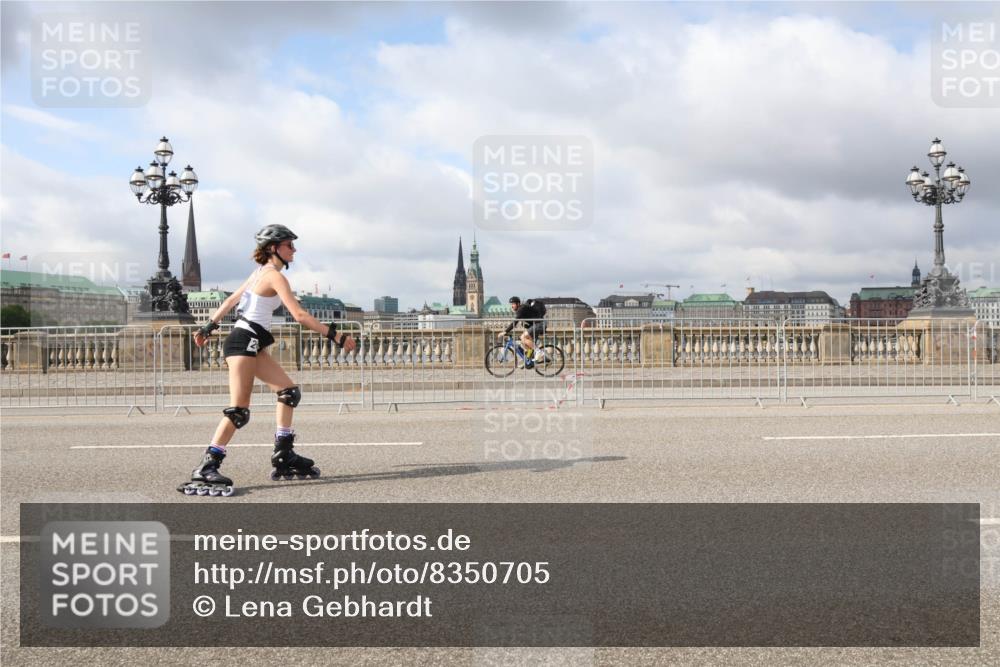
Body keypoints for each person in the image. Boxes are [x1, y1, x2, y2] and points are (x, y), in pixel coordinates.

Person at [178, 224, 357, 496]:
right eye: (289, 245)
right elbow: (299, 315)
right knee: (239, 411)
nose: (294, 249)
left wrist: (208, 327)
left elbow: (230, 301)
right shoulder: (274, 276)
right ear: (274, 248)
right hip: (242, 342)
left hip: (251, 342)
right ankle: (207, 465)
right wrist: (337, 336)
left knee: (288, 392)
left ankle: (283, 452)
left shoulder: (258, 273)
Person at [501, 296, 547, 365]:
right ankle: (529, 360)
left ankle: (539, 352)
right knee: (523, 342)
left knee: (523, 337)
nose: (512, 306)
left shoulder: (521, 309)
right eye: (511, 304)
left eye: (513, 304)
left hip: (539, 324)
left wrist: (505, 331)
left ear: (518, 304)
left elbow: (515, 322)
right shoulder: (522, 309)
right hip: (538, 324)